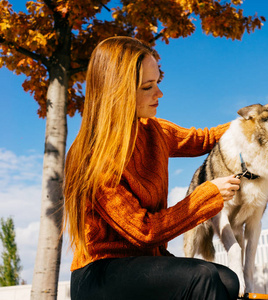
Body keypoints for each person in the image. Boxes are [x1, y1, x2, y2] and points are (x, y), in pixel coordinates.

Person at [63, 36, 241, 300]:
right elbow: (144, 231)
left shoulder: (153, 131)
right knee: (202, 277)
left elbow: (204, 138)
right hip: (100, 273)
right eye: (148, 87)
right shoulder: (92, 156)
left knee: (228, 280)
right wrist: (208, 194)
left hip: (147, 264)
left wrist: (260, 120)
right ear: (118, 92)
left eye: (158, 82)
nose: (159, 94)